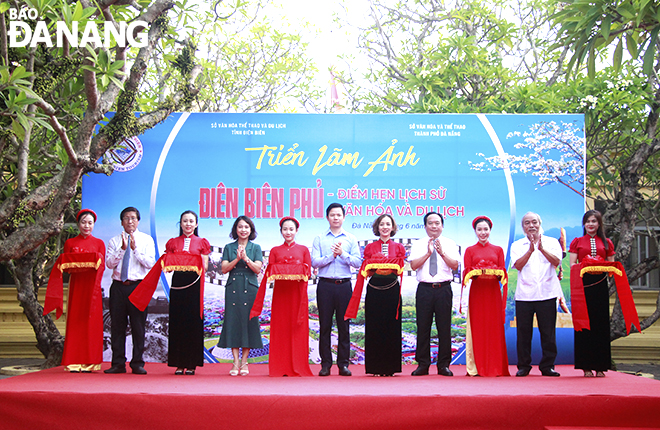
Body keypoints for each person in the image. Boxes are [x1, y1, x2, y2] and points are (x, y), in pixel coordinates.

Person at [44, 209, 105, 372]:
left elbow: (102, 266)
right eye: (83, 222)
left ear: (94, 225)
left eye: (90, 223)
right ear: (78, 224)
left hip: (92, 287)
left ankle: (91, 362)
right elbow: (67, 267)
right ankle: (73, 360)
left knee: (91, 321)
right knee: (75, 320)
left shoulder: (99, 243)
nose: (86, 226)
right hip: (76, 286)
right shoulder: (70, 243)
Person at [251, 217, 313, 377]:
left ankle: (298, 366)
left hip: (298, 295)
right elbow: (271, 272)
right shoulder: (275, 250)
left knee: (297, 329)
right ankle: (279, 366)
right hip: (280, 295)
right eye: (285, 229)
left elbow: (308, 272)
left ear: (296, 231)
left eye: (291, 229)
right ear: (281, 231)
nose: (288, 232)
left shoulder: (304, 249)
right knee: (281, 328)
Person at [311, 203, 362, 376]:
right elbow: (314, 262)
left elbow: (357, 262)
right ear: (327, 217)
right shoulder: (319, 238)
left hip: (344, 286)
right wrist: (330, 256)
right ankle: (326, 364)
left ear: (343, 217)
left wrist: (342, 254)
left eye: (338, 215)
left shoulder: (351, 238)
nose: (335, 218)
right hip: (325, 285)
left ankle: (343, 365)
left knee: (344, 326)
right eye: (332, 215)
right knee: (324, 325)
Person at [104, 207, 156, 375]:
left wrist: (135, 249)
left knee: (138, 326)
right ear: (121, 222)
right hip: (118, 287)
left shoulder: (146, 240)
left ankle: (137, 363)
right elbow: (109, 264)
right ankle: (118, 363)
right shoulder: (113, 240)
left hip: (138, 287)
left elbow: (150, 263)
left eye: (133, 218)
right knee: (117, 326)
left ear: (138, 221)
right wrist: (122, 249)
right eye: (126, 218)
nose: (130, 221)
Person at [510, 212, 562, 377]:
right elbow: (517, 265)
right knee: (523, 333)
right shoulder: (517, 245)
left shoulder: (552, 242)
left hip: (547, 293)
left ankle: (548, 366)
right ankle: (524, 366)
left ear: (540, 223)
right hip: (525, 295)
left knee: (548, 332)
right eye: (527, 223)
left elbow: (556, 262)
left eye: (534, 222)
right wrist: (530, 251)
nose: (531, 225)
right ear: (523, 227)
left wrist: (541, 249)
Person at [354, 214, 406, 376]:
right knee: (374, 328)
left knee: (392, 328)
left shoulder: (399, 247)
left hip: (392, 290)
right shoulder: (369, 248)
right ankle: (375, 367)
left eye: (388, 224)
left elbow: (400, 268)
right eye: (381, 224)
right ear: (377, 227)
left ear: (392, 227)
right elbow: (366, 271)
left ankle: (390, 368)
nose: (385, 227)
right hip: (374, 290)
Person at [409, 211, 460, 376]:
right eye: (430, 223)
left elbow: (454, 266)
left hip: (443, 289)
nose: (434, 226)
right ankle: (423, 364)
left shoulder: (450, 243)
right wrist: (428, 253)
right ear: (425, 226)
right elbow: (414, 266)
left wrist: (442, 252)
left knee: (444, 327)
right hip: (424, 289)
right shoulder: (418, 244)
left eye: (437, 223)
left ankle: (443, 365)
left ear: (442, 226)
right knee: (423, 327)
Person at [569, 210, 615, 377]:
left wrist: (600, 266)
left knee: (601, 324)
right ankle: (586, 366)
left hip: (601, 285)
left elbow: (612, 267)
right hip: (584, 286)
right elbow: (573, 265)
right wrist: (586, 265)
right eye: (588, 221)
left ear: (599, 223)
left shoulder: (607, 242)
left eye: (594, 221)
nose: (590, 224)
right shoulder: (577, 242)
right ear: (584, 224)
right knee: (584, 324)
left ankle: (601, 366)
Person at [462, 216, 510, 377]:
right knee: (478, 326)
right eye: (479, 229)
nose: (483, 232)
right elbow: (467, 272)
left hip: (493, 292)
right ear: (475, 231)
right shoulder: (470, 250)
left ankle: (496, 365)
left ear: (490, 230)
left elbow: (502, 271)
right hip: (477, 293)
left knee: (494, 327)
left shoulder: (498, 250)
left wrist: (494, 272)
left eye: (485, 229)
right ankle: (477, 366)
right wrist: (476, 272)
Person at [217, 215, 263, 376]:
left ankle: (245, 361)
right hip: (233, 287)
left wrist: (246, 258)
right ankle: (235, 362)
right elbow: (224, 269)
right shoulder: (229, 247)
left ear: (251, 230)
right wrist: (237, 259)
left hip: (250, 288)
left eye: (246, 227)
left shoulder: (255, 247)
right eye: (240, 227)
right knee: (233, 322)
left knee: (248, 322)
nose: (243, 230)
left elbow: (258, 269)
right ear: (235, 230)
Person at [166, 210, 210, 375]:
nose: (188, 224)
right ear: (180, 223)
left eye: (191, 221)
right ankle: (178, 363)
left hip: (194, 285)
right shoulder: (173, 243)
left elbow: (204, 267)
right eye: (185, 221)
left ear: (196, 224)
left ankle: (191, 363)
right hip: (178, 284)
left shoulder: (202, 243)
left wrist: (188, 260)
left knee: (192, 323)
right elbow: (169, 266)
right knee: (177, 322)